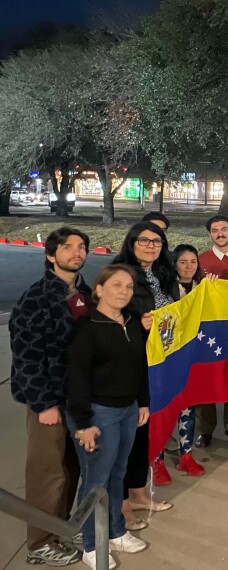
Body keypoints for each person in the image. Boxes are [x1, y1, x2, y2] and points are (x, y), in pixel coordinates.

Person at [9, 228, 91, 566]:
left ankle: (57, 528)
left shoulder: (84, 293)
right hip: (50, 401)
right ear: (50, 255)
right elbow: (26, 357)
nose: (77, 252)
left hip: (78, 401)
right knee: (47, 474)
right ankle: (39, 543)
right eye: (68, 247)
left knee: (71, 469)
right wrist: (42, 404)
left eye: (82, 247)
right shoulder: (37, 298)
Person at [65, 264, 151, 570]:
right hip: (98, 413)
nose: (124, 292)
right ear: (99, 289)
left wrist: (142, 402)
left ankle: (115, 530)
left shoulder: (130, 321)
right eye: (116, 285)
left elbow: (139, 365)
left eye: (128, 287)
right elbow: (76, 377)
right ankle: (91, 543)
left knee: (118, 472)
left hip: (128, 409)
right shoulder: (87, 327)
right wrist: (84, 424)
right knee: (95, 480)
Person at [112, 222, 177, 526]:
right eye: (145, 240)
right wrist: (139, 324)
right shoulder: (121, 273)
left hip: (156, 361)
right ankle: (121, 502)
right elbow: (110, 314)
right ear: (132, 242)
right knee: (128, 434)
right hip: (130, 362)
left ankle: (138, 493)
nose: (151, 246)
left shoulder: (162, 274)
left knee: (142, 431)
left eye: (157, 241)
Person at [195, 215, 228, 447]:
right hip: (209, 328)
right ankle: (205, 429)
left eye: (224, 229)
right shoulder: (199, 260)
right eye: (215, 230)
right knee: (207, 376)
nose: (220, 234)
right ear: (210, 235)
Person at [164, 244, 210, 477]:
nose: (189, 266)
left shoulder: (203, 288)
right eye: (183, 262)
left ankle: (186, 455)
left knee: (187, 405)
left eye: (193, 262)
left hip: (192, 357)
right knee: (162, 408)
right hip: (167, 356)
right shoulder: (164, 289)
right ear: (174, 264)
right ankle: (157, 459)